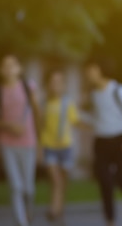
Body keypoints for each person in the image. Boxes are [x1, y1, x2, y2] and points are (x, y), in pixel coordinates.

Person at [83, 56, 122, 226]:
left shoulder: (118, 90)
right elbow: (99, 118)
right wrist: (80, 119)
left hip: (121, 141)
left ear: (101, 70)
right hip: (101, 142)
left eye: (91, 69)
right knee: (104, 181)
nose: (88, 73)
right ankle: (110, 220)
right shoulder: (93, 94)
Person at [0, 54, 41, 226]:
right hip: (7, 144)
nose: (9, 69)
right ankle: (20, 222)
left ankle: (28, 215)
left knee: (28, 187)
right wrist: (10, 126)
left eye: (13, 65)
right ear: (1, 70)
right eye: (5, 65)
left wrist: (39, 140)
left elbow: (37, 111)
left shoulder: (28, 87)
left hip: (29, 143)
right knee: (16, 186)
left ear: (20, 69)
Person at [39, 67, 80, 224]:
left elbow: (75, 120)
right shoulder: (44, 104)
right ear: (48, 84)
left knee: (63, 181)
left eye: (59, 82)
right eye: (53, 82)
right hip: (49, 147)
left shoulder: (68, 103)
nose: (56, 85)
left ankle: (59, 210)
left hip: (66, 147)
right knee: (55, 180)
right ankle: (54, 209)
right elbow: (40, 125)